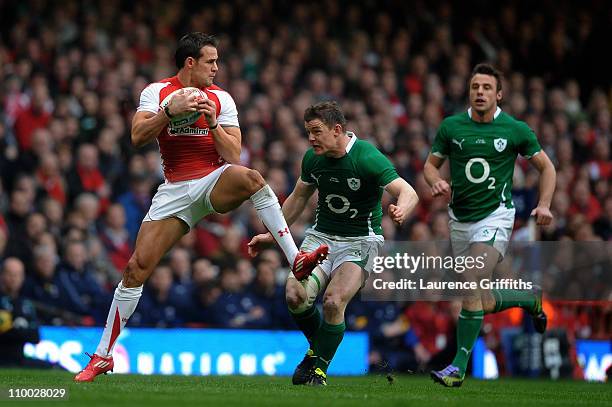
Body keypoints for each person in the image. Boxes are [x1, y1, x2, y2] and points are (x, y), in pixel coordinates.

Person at [74, 33, 327, 382]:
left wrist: (211, 124)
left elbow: (234, 154)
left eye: (218, 61)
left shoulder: (221, 98)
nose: (216, 68)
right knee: (136, 269)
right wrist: (168, 112)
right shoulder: (156, 92)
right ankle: (103, 356)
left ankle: (295, 258)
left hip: (212, 178)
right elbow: (137, 137)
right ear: (190, 63)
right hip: (174, 189)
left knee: (252, 177)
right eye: (211, 61)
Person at [248, 101, 419, 386]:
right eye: (308, 132)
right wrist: (272, 235)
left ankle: (318, 371)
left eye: (316, 131)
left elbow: (407, 190)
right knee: (294, 295)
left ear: (337, 130)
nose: (311, 138)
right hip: (321, 237)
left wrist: (402, 208)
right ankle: (319, 349)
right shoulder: (313, 159)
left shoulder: (366, 157)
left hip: (361, 241)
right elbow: (298, 198)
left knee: (333, 301)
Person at [424, 64, 556, 387]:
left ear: (499, 94)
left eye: (486, 87)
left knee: (471, 280)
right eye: (474, 87)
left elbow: (547, 168)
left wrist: (544, 204)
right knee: (477, 297)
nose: (480, 92)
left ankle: (457, 369)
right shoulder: (452, 127)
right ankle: (529, 299)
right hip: (459, 220)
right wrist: (436, 181)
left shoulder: (515, 129)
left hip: (495, 216)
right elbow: (430, 165)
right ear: (469, 92)